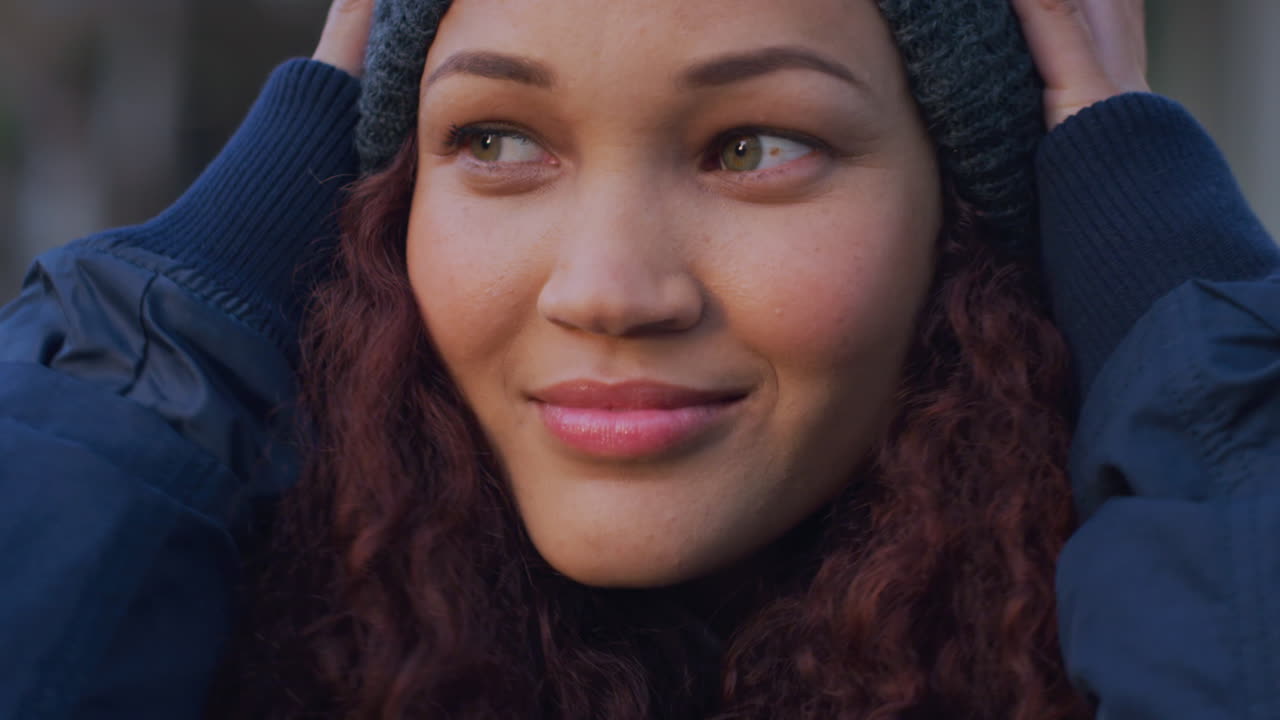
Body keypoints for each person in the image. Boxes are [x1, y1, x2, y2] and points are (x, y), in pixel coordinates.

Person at [0, 1, 1276, 719]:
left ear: (962, 227)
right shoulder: (210, 640)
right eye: (495, 139)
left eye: (751, 147)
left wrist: (1208, 378)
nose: (607, 290)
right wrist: (163, 342)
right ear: (379, 205)